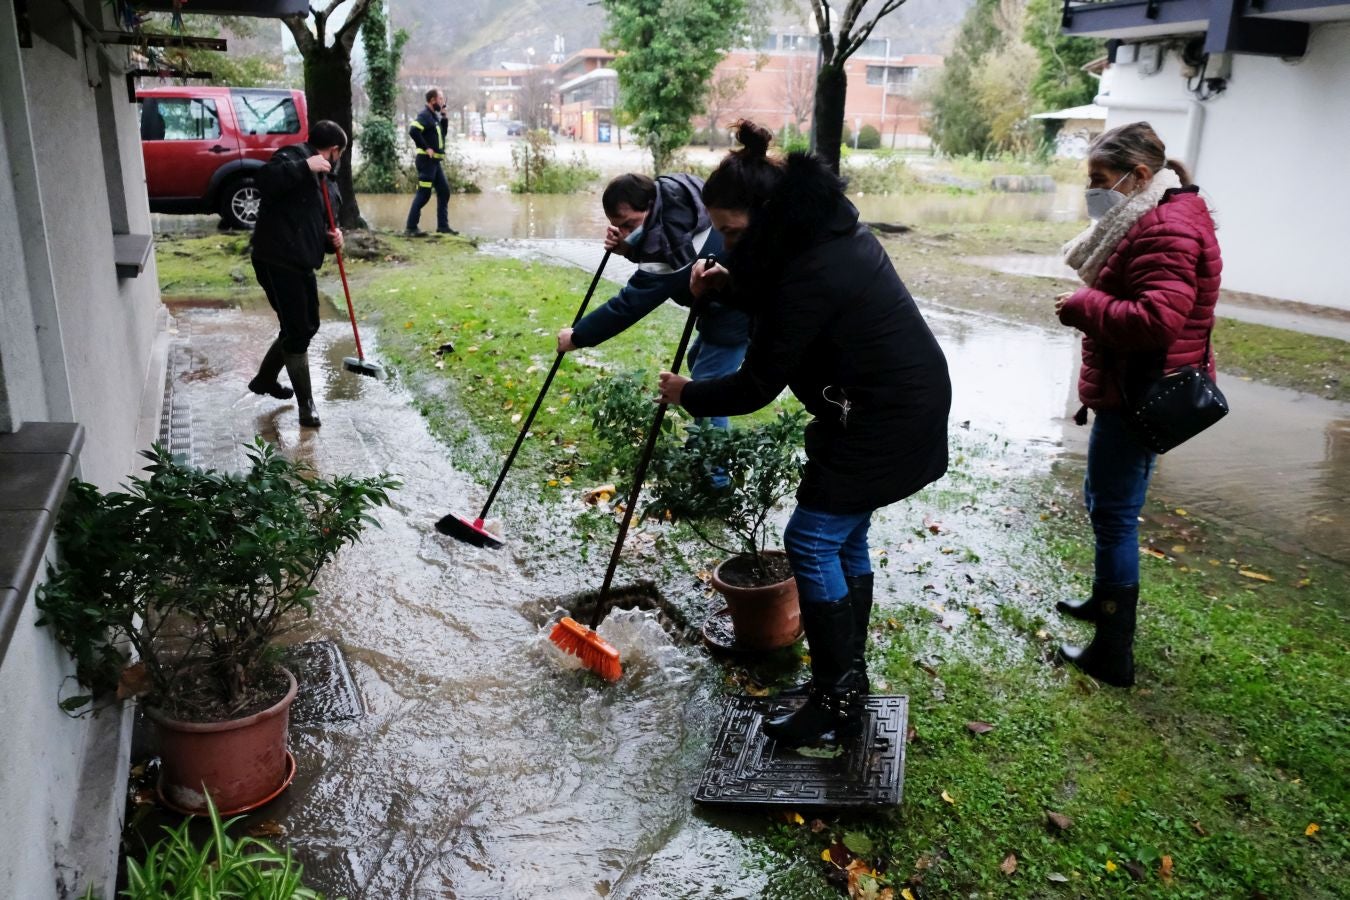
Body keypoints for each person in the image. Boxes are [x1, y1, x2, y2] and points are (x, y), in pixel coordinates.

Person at [656, 122, 951, 746]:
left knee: (811, 539)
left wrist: (689, 394)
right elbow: (770, 293)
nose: (726, 242)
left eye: (732, 231)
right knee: (844, 538)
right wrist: (722, 287)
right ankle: (847, 683)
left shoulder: (816, 265)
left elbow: (758, 381)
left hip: (885, 415)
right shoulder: (814, 235)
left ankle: (835, 701)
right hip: (881, 405)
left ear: (767, 216)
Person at [1053, 121, 1221, 687]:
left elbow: (1156, 321)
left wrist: (1084, 305)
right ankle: (1104, 605)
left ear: (1139, 175)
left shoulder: (1164, 229)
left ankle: (1112, 651)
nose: (1093, 190)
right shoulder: (1155, 215)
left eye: (1101, 179)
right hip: (1136, 387)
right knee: (1105, 502)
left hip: (1140, 392)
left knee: (1115, 517)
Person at [557, 173, 751, 434]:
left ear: (650, 205)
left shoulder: (672, 241)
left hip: (738, 307)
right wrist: (627, 248)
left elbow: (630, 304)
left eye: (629, 224)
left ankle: (710, 469)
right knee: (699, 361)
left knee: (708, 385)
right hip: (722, 304)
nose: (625, 233)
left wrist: (579, 336)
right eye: (619, 228)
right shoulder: (676, 201)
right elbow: (654, 247)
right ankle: (710, 451)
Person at [247, 119, 349, 429]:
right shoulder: (291, 157)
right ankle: (307, 404)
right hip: (275, 258)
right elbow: (265, 181)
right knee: (298, 328)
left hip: (301, 261)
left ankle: (264, 379)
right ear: (333, 150)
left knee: (306, 325)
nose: (338, 159)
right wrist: (305, 166)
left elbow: (320, 223)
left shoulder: (329, 182)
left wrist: (334, 239)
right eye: (339, 153)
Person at [405, 88, 457, 237]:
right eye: (440, 99)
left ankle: (443, 227)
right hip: (426, 161)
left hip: (435, 163)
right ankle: (411, 227)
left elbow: (442, 135)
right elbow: (413, 130)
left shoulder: (434, 117)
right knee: (424, 194)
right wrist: (426, 147)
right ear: (432, 100)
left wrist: (444, 118)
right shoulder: (424, 115)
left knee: (444, 191)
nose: (442, 102)